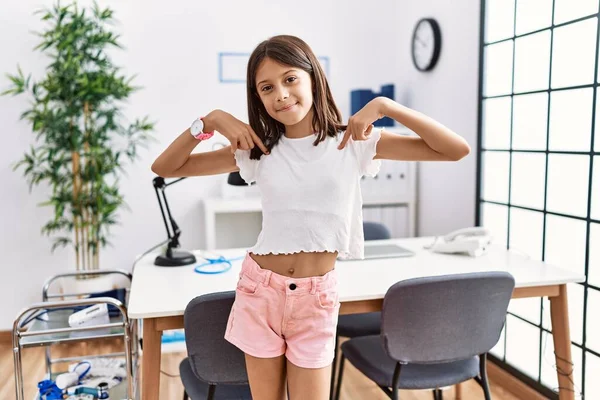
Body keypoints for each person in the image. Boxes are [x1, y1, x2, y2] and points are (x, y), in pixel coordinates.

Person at [151, 34, 470, 400]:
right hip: (260, 293)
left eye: (290, 79)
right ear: (259, 98)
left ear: (313, 78)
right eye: (266, 88)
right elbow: (165, 166)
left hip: (316, 299)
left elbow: (454, 150)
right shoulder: (258, 150)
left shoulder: (353, 142)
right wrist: (211, 120)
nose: (281, 95)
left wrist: (385, 106)